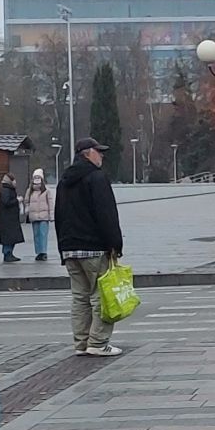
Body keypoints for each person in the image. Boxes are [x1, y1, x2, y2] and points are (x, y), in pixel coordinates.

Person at [54, 138, 126, 357]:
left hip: (70, 249)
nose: (102, 156)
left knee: (80, 297)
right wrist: (115, 244)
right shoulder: (96, 178)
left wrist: (62, 248)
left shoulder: (64, 181)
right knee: (101, 296)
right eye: (99, 151)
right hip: (94, 248)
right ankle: (98, 342)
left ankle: (81, 343)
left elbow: (58, 216)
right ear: (87, 154)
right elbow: (106, 214)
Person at [22, 168, 55, 261]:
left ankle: (43, 252)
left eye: (38, 178)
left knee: (43, 234)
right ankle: (38, 252)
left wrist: (51, 216)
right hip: (34, 216)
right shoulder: (30, 190)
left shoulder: (46, 190)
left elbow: (51, 204)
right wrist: (27, 211)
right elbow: (26, 201)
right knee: (36, 235)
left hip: (44, 216)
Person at [0, 173, 24, 263]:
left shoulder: (8, 189)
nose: (15, 182)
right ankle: (7, 253)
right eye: (14, 180)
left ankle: (9, 253)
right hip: (8, 219)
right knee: (9, 238)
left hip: (10, 218)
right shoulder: (6, 190)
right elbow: (6, 202)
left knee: (11, 237)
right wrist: (17, 200)